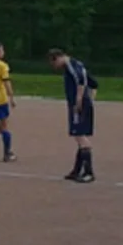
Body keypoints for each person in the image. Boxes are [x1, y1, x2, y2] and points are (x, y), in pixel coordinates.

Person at [48, 48, 96, 183]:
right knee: (78, 135)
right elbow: (93, 82)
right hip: (82, 103)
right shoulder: (78, 64)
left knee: (80, 136)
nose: (55, 67)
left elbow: (81, 80)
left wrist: (79, 99)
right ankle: (77, 170)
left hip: (78, 104)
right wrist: (90, 99)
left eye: (54, 63)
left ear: (57, 58)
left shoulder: (71, 65)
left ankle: (88, 172)